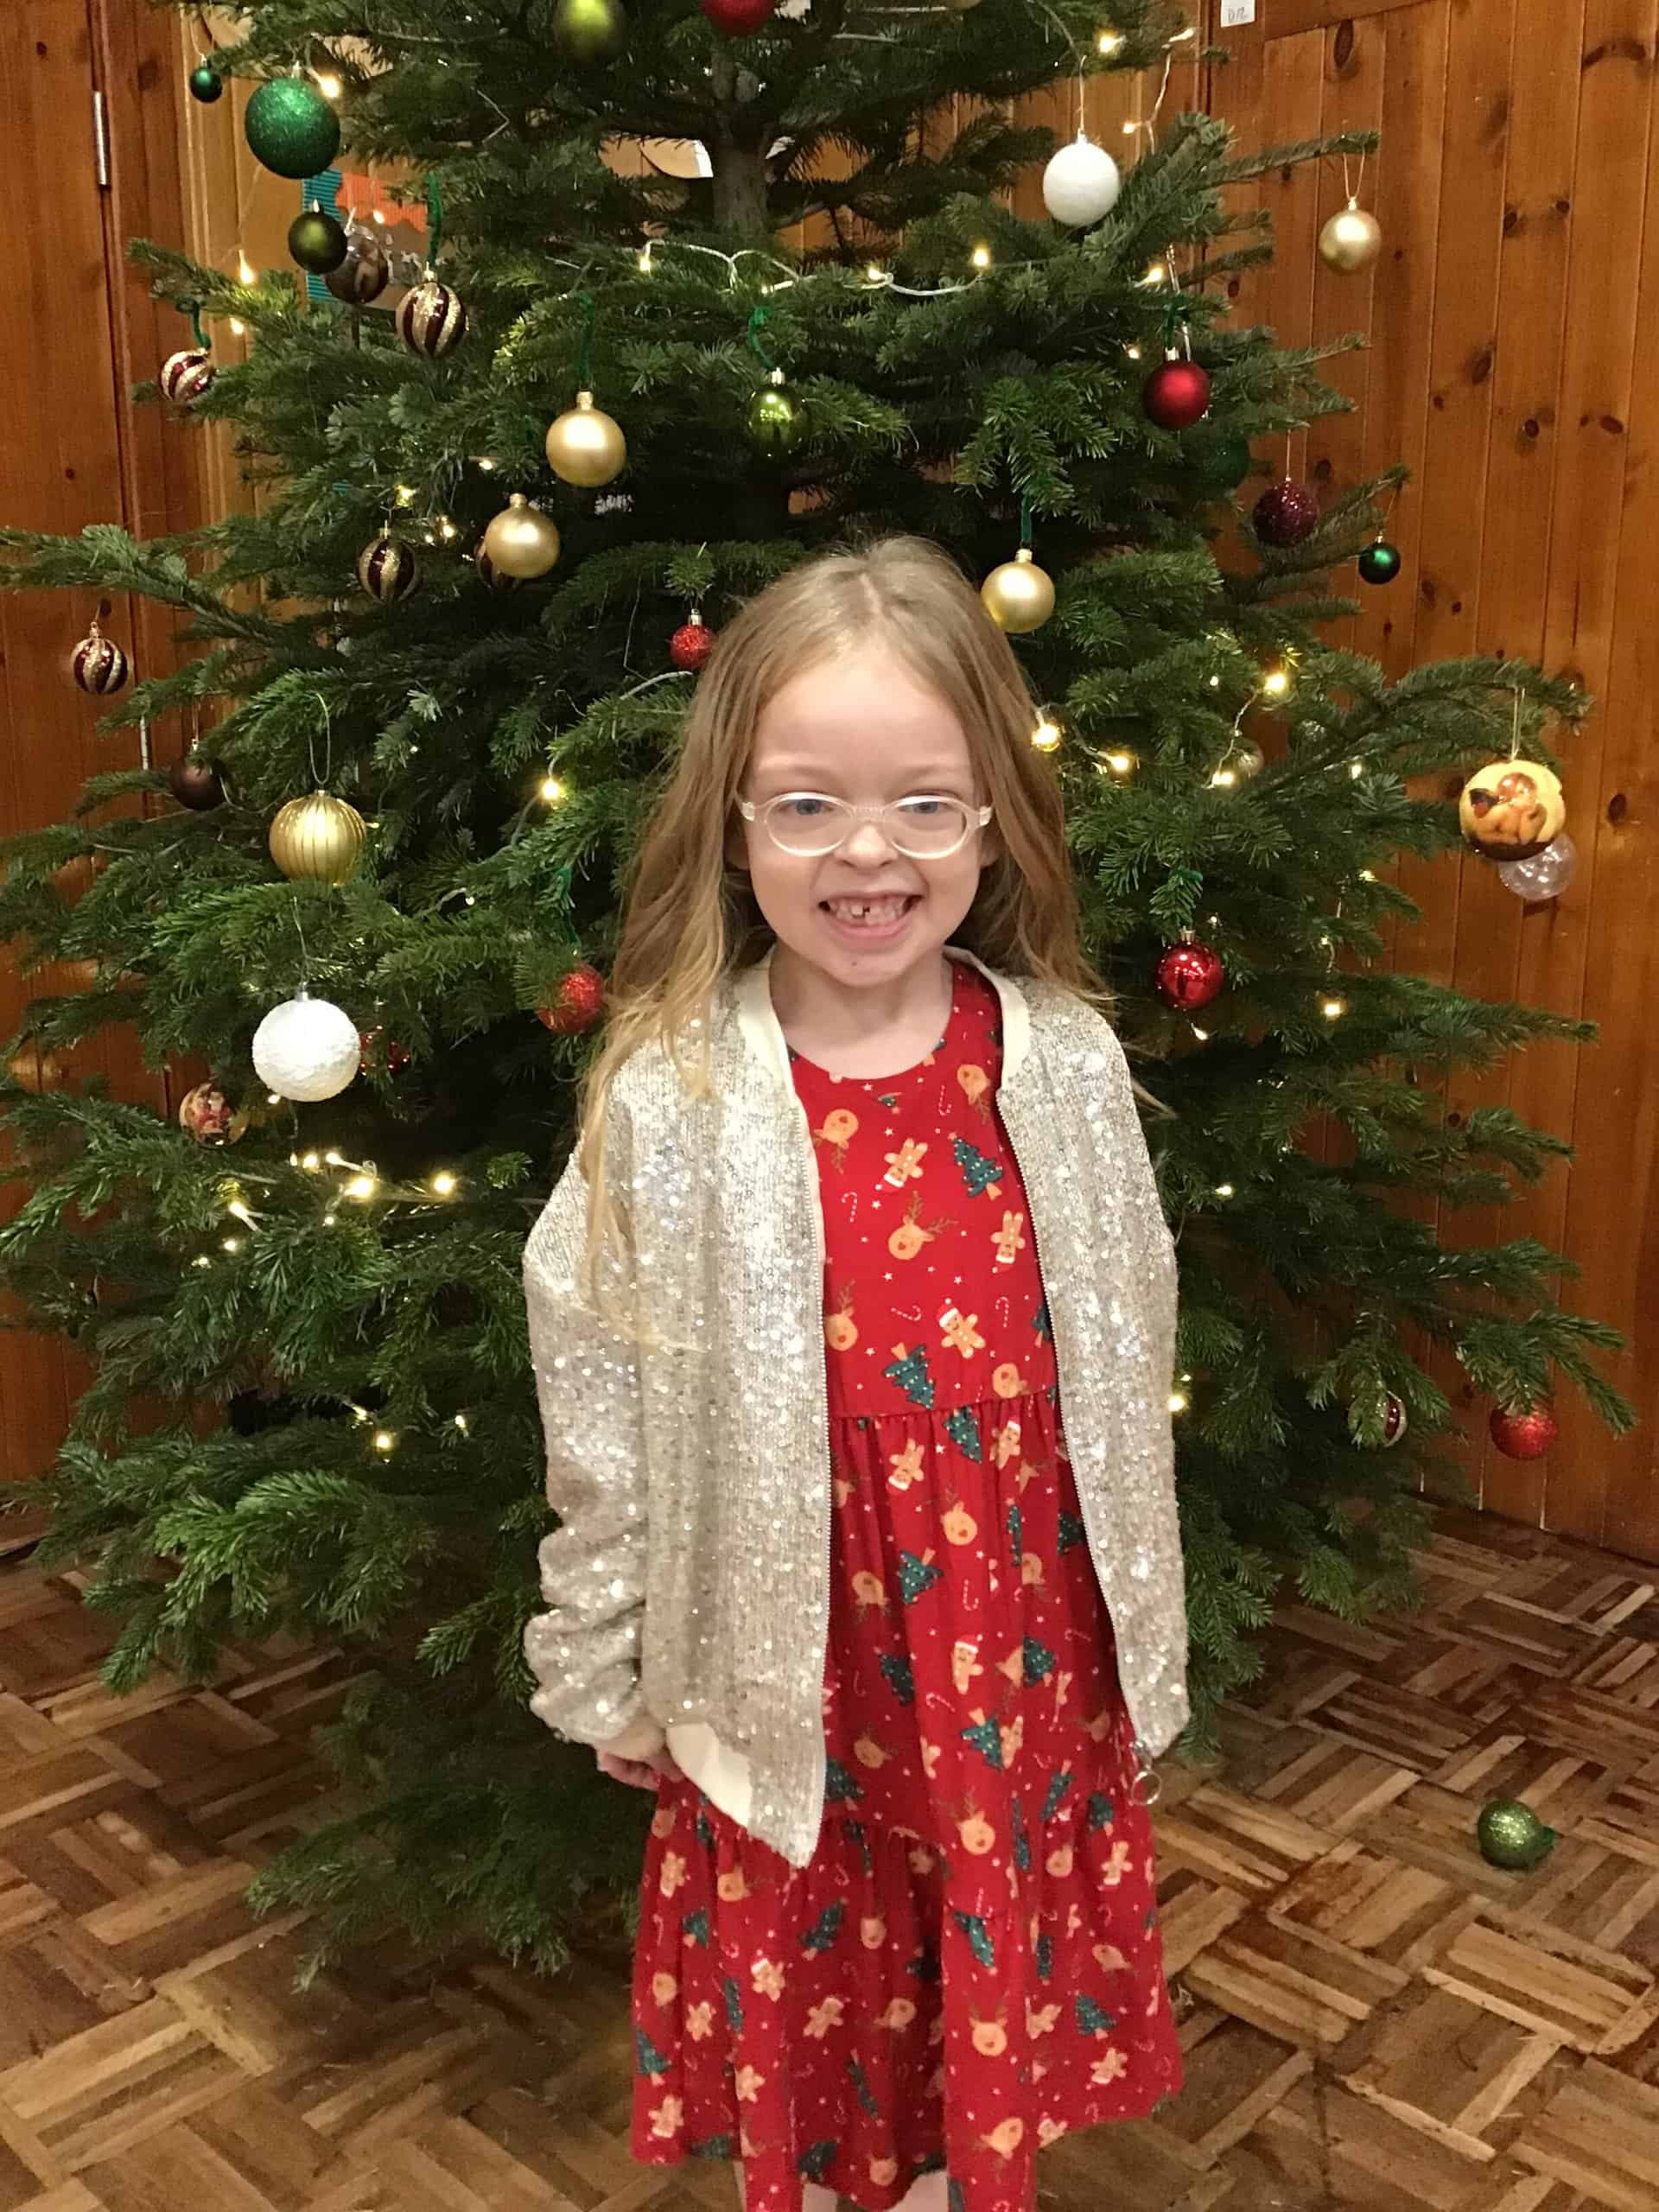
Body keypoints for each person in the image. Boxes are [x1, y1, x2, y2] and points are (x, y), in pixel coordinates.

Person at [522, 535, 1188, 2212]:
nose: (868, 852)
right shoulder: (673, 1093)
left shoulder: (1067, 1062)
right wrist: (605, 1654)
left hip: (1006, 1664)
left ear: (994, 820)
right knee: (823, 2031)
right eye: (808, 804)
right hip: (786, 1675)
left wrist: (1136, 1649)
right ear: (735, 822)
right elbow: (597, 1395)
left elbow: (1128, 1372)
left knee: (970, 2021)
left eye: (924, 804)